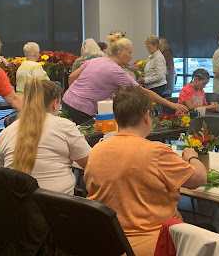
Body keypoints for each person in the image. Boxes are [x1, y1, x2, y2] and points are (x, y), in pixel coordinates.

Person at [84, 86, 207, 255]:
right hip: (155, 244)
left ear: (117, 116)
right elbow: (199, 179)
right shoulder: (155, 152)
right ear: (147, 116)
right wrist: (192, 156)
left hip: (107, 242)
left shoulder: (97, 150)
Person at [62, 33, 187, 124]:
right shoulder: (116, 71)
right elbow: (143, 92)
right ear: (119, 53)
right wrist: (171, 104)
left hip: (67, 101)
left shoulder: (96, 60)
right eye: (129, 53)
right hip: (82, 110)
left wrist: (74, 94)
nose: (131, 56)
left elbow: (72, 77)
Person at [0, 79, 91, 195]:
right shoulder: (64, 127)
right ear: (54, 103)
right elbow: (90, 163)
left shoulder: (5, 133)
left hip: (16, 208)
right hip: (59, 208)